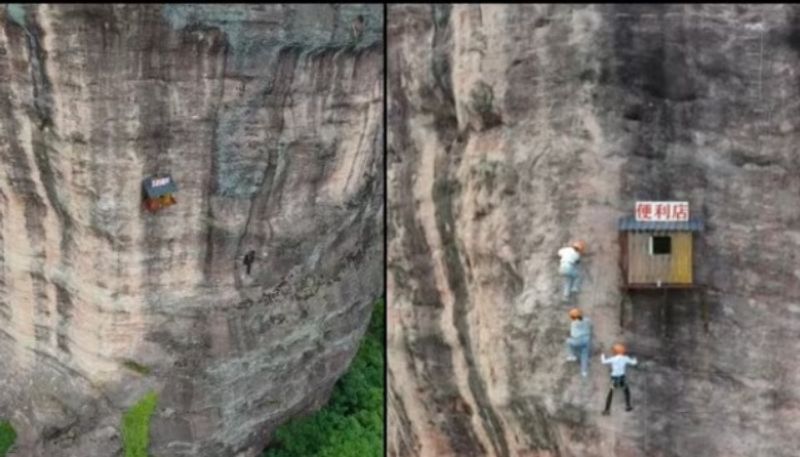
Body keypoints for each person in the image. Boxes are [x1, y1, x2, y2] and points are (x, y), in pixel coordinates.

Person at [601, 343, 638, 415]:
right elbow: (634, 363)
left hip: (614, 378)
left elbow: (604, 361)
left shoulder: (613, 359)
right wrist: (634, 358)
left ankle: (607, 410)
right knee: (626, 390)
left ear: (615, 352)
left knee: (611, 393)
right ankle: (628, 406)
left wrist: (602, 355)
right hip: (622, 377)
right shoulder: (625, 358)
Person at [565, 308, 592, 377]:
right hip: (586, 339)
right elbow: (590, 325)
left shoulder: (573, 324)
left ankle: (572, 356)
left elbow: (573, 334)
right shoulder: (587, 320)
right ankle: (584, 371)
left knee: (568, 341)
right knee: (584, 355)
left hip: (577, 341)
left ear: (572, 318)